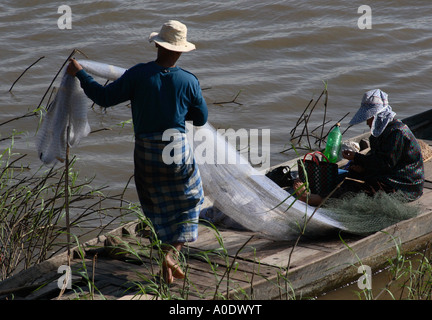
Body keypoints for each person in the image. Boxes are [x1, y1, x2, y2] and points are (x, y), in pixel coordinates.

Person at [67, 20, 208, 284]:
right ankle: (171, 256)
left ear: (157, 45)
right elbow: (200, 119)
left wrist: (81, 73)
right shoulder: (189, 81)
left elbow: (104, 97)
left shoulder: (138, 74)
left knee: (157, 206)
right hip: (175, 149)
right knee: (190, 200)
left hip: (145, 152)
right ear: (181, 51)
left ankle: (165, 263)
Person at [294, 89, 424, 206]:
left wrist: (357, 157)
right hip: (389, 174)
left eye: (369, 118)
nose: (367, 122)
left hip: (404, 185)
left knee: (356, 186)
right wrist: (361, 166)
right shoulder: (380, 132)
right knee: (352, 172)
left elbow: (385, 164)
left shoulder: (397, 133)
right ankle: (325, 195)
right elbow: (377, 158)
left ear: (379, 116)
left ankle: (317, 199)